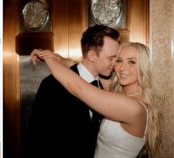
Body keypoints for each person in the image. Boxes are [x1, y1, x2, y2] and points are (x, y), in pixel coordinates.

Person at [31, 42, 160, 158]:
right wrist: (60, 59)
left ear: (143, 67)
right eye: (119, 61)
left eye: (132, 62)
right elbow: (89, 68)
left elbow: (78, 87)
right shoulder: (121, 95)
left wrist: (50, 60)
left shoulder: (133, 108)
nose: (122, 68)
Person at [25, 25, 120, 158]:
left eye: (116, 58)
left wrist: (62, 60)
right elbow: (36, 139)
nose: (115, 63)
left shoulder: (103, 84)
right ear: (92, 55)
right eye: (111, 58)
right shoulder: (53, 84)